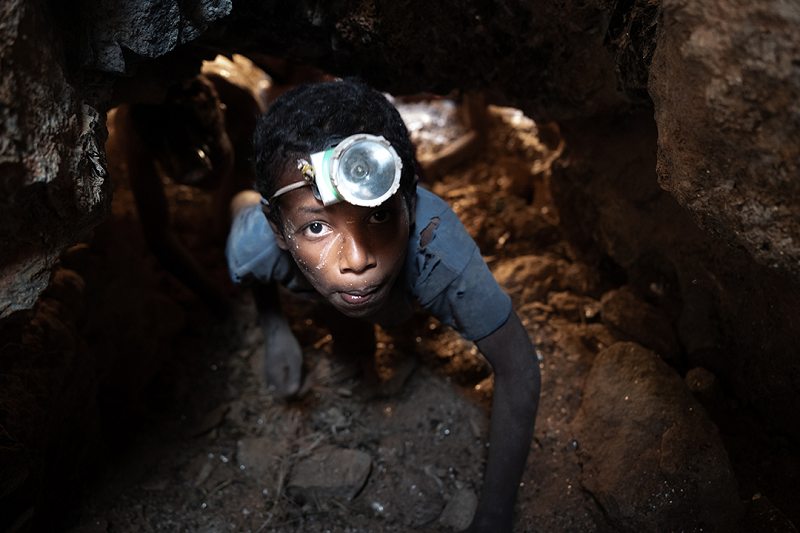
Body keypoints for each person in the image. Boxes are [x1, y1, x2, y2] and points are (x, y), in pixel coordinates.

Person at [225, 79, 540, 533]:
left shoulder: (437, 250)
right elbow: (249, 247)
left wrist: (493, 517)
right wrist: (275, 330)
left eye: (378, 215)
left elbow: (520, 369)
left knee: (387, 312)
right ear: (278, 230)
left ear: (410, 206)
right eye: (316, 227)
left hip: (403, 281)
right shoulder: (254, 244)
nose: (357, 259)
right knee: (354, 337)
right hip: (307, 273)